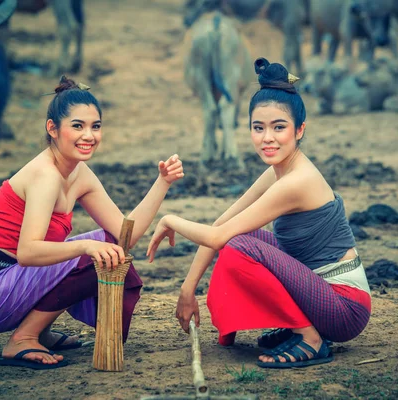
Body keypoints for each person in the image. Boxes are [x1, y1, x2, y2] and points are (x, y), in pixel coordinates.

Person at [147, 58, 371, 369]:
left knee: (240, 245)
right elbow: (222, 223)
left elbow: (218, 237)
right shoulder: (279, 171)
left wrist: (169, 219)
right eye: (258, 127)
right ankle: (300, 326)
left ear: (300, 129)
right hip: (320, 291)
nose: (267, 138)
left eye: (279, 127)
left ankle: (310, 338)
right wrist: (187, 289)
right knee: (241, 237)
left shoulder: (296, 181)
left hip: (345, 307)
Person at [0, 76, 184, 370]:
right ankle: (23, 338)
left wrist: (162, 182)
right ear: (52, 128)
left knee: (110, 247)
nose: (88, 135)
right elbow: (27, 252)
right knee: (94, 250)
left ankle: (41, 331)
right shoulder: (45, 175)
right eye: (77, 126)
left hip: (11, 281)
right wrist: (86, 246)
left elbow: (124, 235)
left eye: (95, 126)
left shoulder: (80, 173)